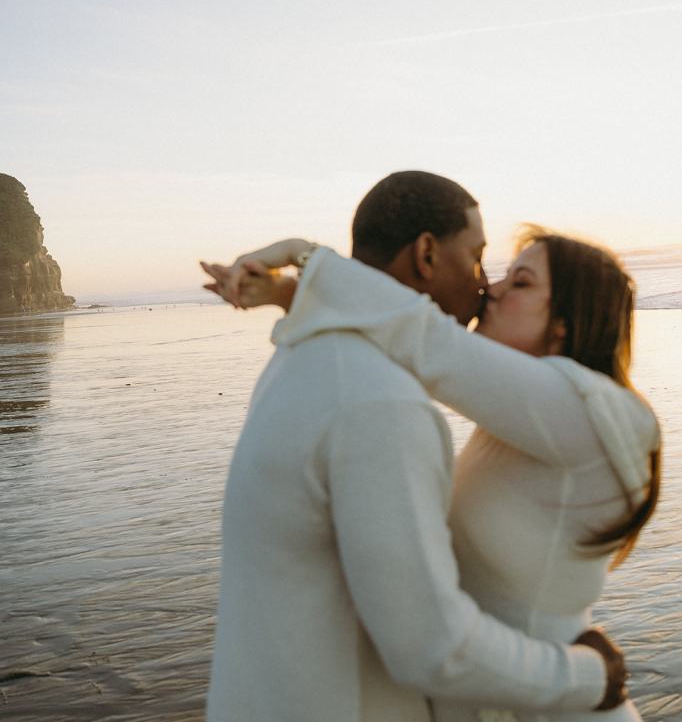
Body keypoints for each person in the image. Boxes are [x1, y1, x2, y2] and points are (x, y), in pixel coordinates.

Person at [201, 171, 633, 722]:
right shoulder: (382, 402)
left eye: (514, 280)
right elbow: (432, 647)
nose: (486, 286)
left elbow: (429, 341)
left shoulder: (301, 359)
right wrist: (588, 675)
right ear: (427, 254)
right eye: (477, 258)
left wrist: (300, 276)